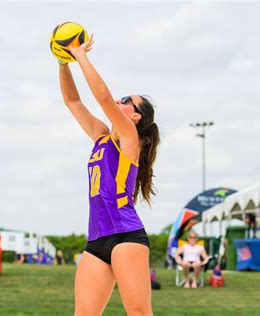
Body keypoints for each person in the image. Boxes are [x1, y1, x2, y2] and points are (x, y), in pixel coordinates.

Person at [58, 35, 160, 315]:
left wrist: (81, 56)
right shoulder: (101, 136)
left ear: (136, 117)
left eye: (127, 100)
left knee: (138, 313)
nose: (119, 99)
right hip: (97, 239)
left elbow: (102, 98)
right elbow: (72, 100)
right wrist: (62, 60)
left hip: (126, 235)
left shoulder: (130, 139)